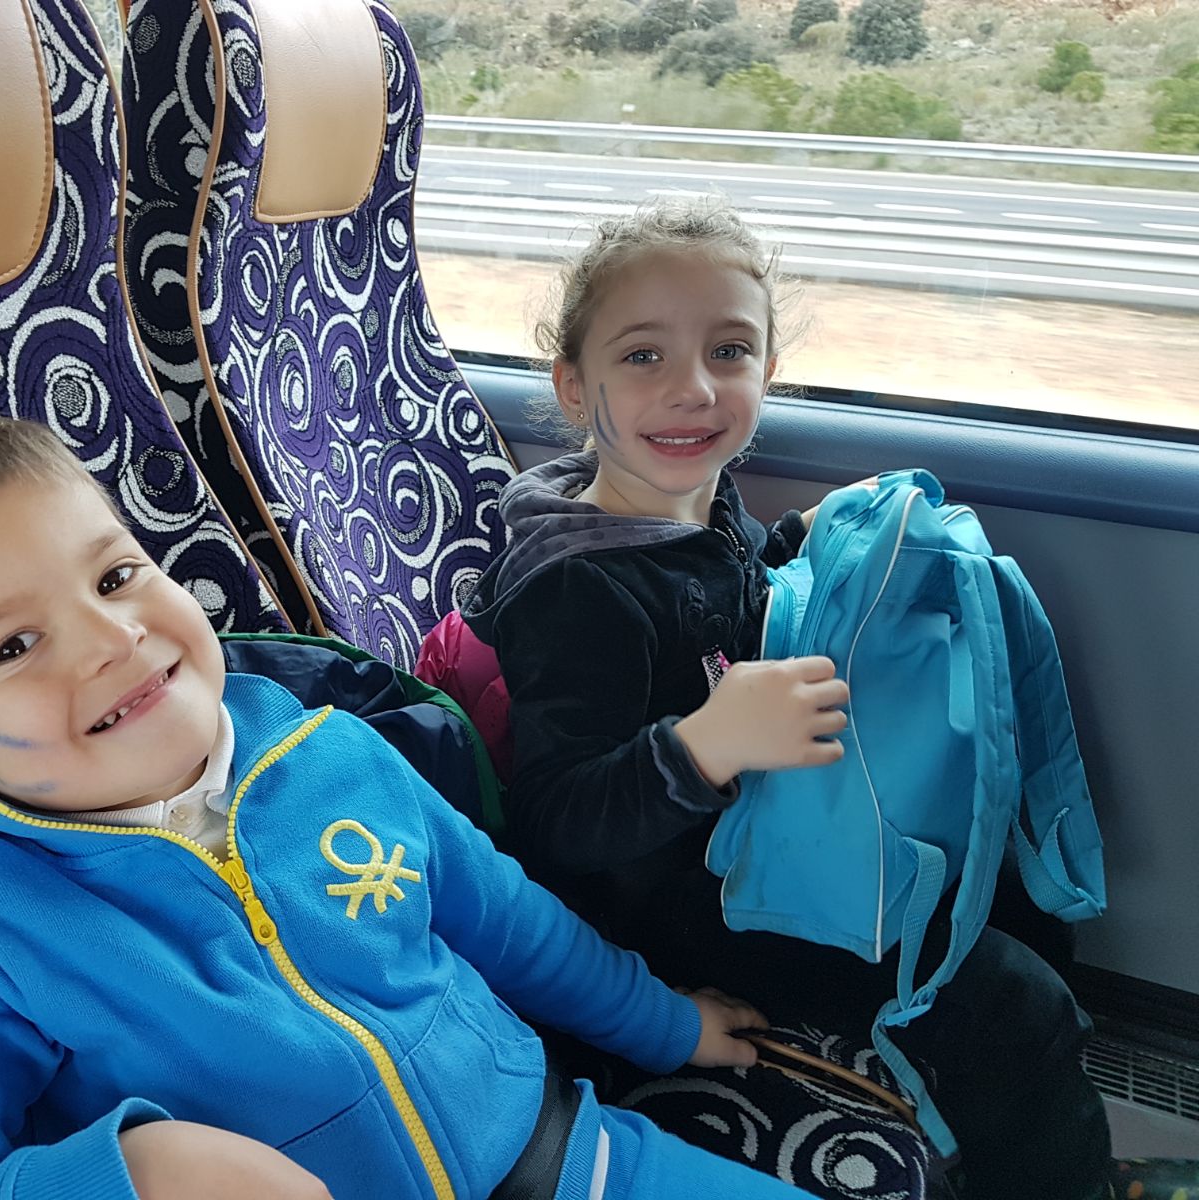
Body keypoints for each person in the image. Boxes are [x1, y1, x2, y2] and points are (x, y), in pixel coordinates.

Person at [0, 413, 817, 1200]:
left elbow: (501, 916)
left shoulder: (332, 748)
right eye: (12, 646)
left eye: (116, 576)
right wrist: (131, 1174)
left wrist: (659, 1022)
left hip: (570, 1158)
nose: (112, 638)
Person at [462, 196, 1112, 1200]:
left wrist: (799, 547)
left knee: (1016, 899)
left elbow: (728, 609)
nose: (693, 388)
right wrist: (701, 748)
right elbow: (554, 827)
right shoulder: (577, 590)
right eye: (643, 356)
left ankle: (1016, 1136)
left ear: (767, 372)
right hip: (678, 908)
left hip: (774, 836)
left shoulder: (696, 506)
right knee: (1011, 1002)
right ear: (573, 386)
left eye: (729, 352)